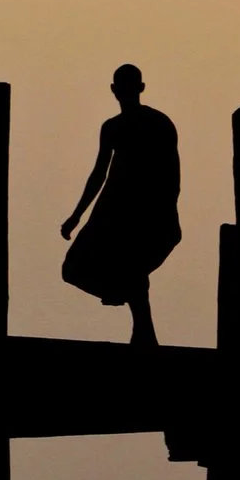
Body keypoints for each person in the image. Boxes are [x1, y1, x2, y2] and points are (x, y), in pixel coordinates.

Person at [60, 64, 182, 345]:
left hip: (146, 214)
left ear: (137, 90)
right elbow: (99, 175)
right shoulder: (114, 127)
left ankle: (142, 331)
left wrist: (164, 211)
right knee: (75, 269)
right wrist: (76, 216)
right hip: (112, 215)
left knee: (133, 268)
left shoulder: (159, 124)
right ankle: (126, 303)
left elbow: (170, 174)